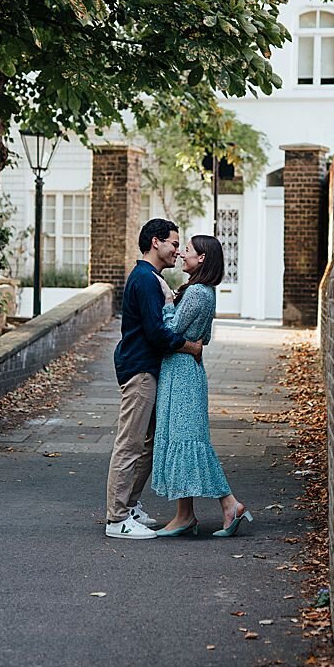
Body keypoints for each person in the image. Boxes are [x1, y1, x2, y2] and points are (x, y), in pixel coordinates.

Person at [104, 218, 204, 540]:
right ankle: (116, 519)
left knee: (148, 444)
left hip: (148, 369)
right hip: (140, 370)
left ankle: (129, 506)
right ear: (156, 242)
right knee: (130, 444)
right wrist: (191, 347)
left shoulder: (152, 278)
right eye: (174, 243)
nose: (177, 250)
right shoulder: (145, 280)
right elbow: (157, 332)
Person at [149, 234, 253, 538]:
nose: (182, 254)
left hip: (182, 375)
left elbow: (169, 331)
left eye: (189, 251)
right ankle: (185, 515)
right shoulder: (203, 291)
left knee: (188, 443)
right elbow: (201, 338)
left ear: (202, 258)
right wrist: (189, 344)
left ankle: (229, 504)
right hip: (182, 371)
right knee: (183, 442)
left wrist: (168, 302)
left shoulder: (196, 293)